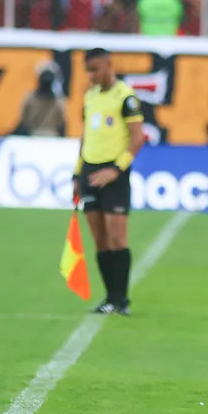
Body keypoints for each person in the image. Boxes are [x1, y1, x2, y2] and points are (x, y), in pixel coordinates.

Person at [72, 48, 146, 316]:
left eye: (95, 70)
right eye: (88, 71)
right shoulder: (90, 96)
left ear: (108, 65)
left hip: (114, 174)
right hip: (89, 172)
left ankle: (122, 300)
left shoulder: (125, 96)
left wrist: (116, 169)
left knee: (117, 237)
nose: (92, 76)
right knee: (100, 239)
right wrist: (76, 174)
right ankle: (110, 298)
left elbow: (138, 138)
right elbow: (85, 137)